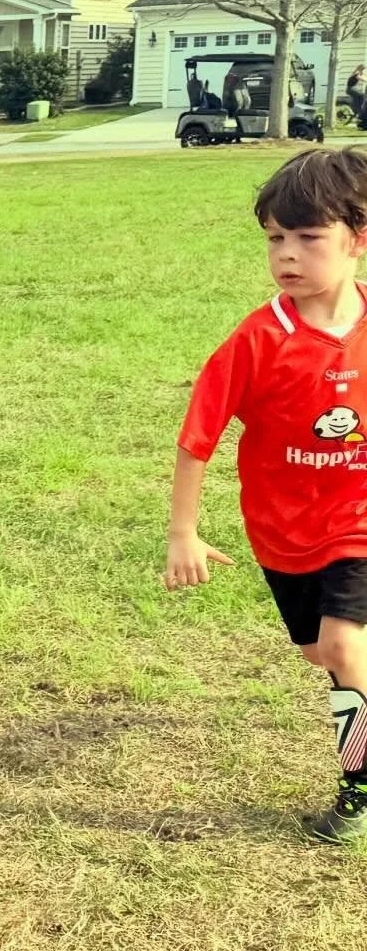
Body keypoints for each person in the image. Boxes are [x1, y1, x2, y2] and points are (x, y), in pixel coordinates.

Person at [166, 147, 367, 841]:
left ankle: (358, 790)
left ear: (358, 239)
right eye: (276, 238)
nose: (288, 255)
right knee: (320, 653)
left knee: (344, 648)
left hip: (357, 523)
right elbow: (198, 438)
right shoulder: (258, 340)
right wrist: (183, 533)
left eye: (309, 238)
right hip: (282, 530)